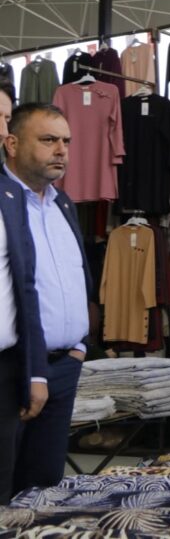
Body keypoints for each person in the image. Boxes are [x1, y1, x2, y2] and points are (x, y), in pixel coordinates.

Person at [3, 103, 90, 494]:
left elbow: (77, 277)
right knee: (8, 487)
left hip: (65, 365)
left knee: (45, 486)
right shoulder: (4, 202)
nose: (61, 150)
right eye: (48, 140)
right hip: (17, 366)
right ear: (12, 144)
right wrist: (33, 368)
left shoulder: (62, 203)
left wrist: (81, 346)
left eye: (66, 141)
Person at [0, 88, 48, 505]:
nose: (5, 131)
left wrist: (34, 373)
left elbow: (25, 287)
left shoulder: (10, 196)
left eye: (6, 118)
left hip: (5, 368)